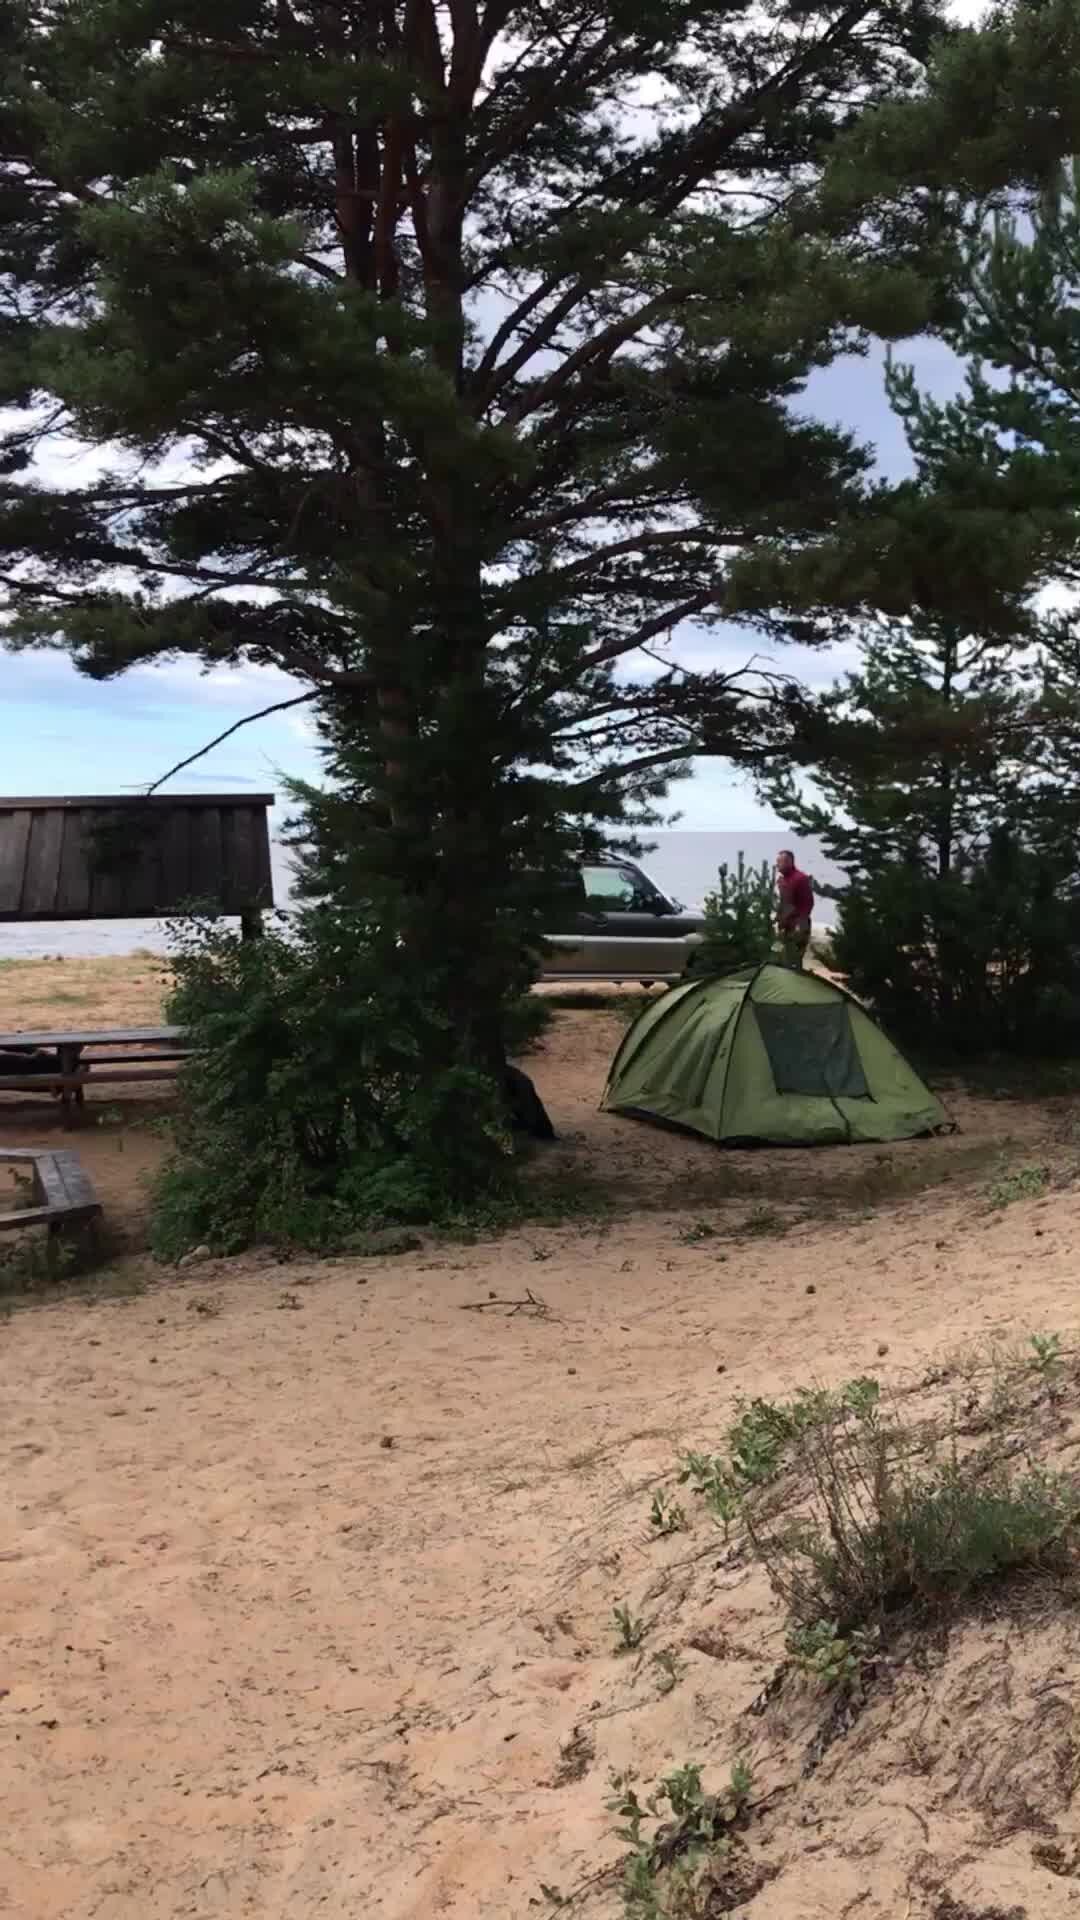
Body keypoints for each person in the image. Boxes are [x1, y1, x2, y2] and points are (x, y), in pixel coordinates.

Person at [775, 849, 813, 969]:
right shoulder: (781, 881)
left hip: (798, 926)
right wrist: (778, 919)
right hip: (783, 926)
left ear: (789, 862)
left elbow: (808, 903)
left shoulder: (800, 878)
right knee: (776, 954)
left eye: (780, 862)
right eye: (777, 862)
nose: (777, 865)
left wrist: (800, 926)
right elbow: (782, 903)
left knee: (793, 960)